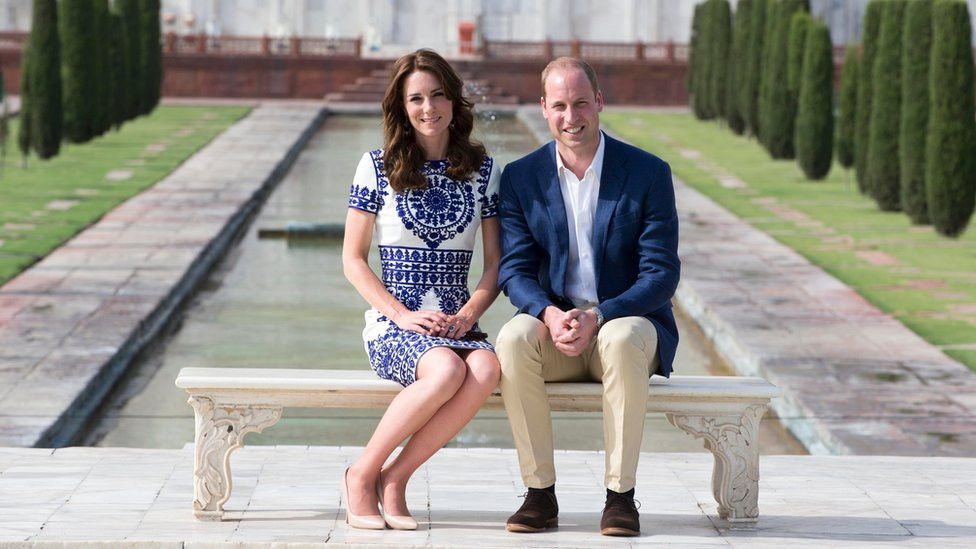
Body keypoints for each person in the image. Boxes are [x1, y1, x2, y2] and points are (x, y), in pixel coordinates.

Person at [495, 57, 680, 537]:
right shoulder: (520, 178)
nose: (570, 116)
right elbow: (513, 271)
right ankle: (540, 494)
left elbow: (661, 274)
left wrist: (600, 315)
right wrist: (550, 314)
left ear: (598, 102)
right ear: (543, 109)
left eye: (580, 102)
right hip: (557, 332)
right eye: (559, 105)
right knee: (513, 337)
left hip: (627, 328)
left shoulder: (647, 173)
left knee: (620, 338)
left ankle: (620, 498)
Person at [341, 48, 502, 530]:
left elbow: (495, 265)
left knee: (488, 367)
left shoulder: (484, 172)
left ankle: (395, 480)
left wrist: (471, 312)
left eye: (437, 95)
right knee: (447, 368)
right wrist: (401, 315)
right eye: (416, 99)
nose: (427, 107)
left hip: (457, 322)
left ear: (454, 102)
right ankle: (360, 474)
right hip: (395, 325)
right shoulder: (376, 166)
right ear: (401, 106)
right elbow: (353, 260)